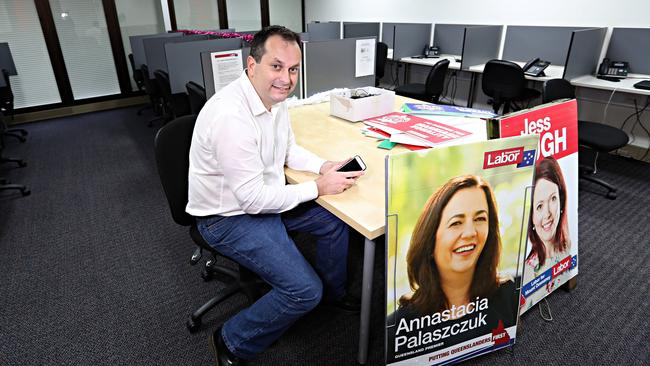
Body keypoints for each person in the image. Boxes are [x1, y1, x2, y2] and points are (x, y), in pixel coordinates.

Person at [186, 26, 364, 366]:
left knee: (333, 220)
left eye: (293, 69)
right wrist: (317, 187)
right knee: (302, 289)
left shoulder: (274, 101)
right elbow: (252, 200)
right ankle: (232, 341)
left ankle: (330, 295)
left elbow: (289, 152)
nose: (286, 78)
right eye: (277, 66)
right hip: (227, 217)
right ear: (252, 66)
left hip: (264, 196)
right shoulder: (231, 116)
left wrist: (325, 166)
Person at [386, 175, 518, 361]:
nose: (471, 232)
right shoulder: (397, 329)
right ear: (430, 240)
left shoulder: (510, 291)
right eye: (456, 223)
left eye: (480, 218)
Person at [523, 156, 571, 296]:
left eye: (553, 199)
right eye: (539, 206)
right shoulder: (527, 274)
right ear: (530, 216)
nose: (548, 214)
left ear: (561, 200)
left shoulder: (568, 245)